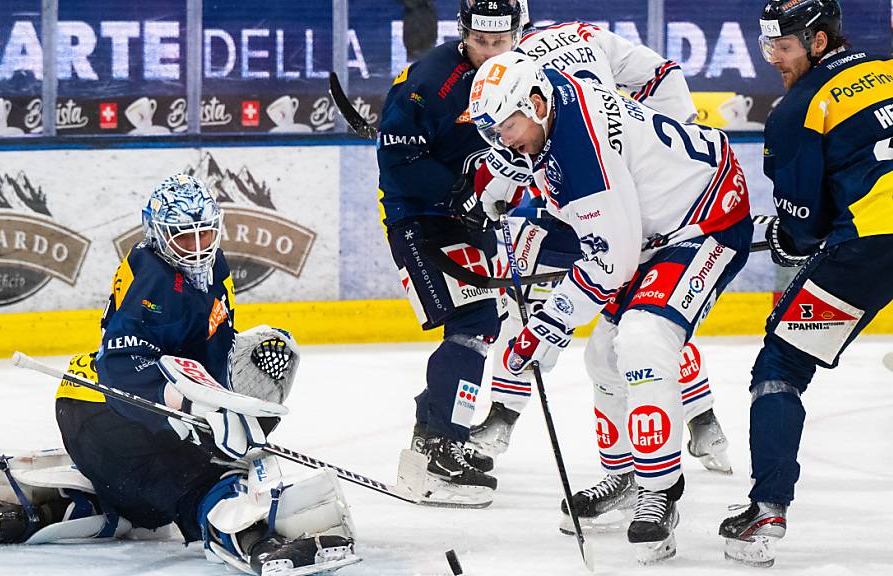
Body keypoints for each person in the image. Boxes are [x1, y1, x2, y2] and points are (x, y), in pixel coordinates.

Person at [0, 174, 359, 576]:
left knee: (158, 495)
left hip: (134, 417)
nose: (199, 248)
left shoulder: (213, 267)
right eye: (185, 238)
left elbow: (207, 348)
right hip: (100, 410)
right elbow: (121, 366)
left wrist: (227, 400)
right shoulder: (150, 275)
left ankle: (79, 505)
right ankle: (246, 536)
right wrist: (190, 406)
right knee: (205, 479)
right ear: (158, 234)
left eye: (206, 234)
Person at [469, 51, 752, 562]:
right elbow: (589, 218)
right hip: (650, 223)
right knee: (602, 356)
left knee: (643, 339)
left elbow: (611, 264)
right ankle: (625, 475)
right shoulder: (548, 100)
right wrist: (506, 180)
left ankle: (659, 492)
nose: (502, 141)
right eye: (493, 133)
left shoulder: (579, 146)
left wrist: (546, 326)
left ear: (535, 104)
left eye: (507, 127)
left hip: (704, 218)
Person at [719, 0, 893, 567]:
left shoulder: (798, 107)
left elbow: (802, 225)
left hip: (869, 247)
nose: (774, 58)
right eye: (767, 45)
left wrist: (789, 238)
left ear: (819, 42)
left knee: (781, 367)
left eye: (785, 47)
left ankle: (767, 508)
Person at [376, 0, 523, 508]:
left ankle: (433, 436)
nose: (488, 51)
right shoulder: (428, 80)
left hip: (470, 218)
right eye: (479, 42)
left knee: (481, 323)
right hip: (419, 219)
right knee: (474, 322)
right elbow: (397, 162)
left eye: (498, 41)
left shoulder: (529, 71)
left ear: (517, 33)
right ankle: (440, 446)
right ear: (464, 34)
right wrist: (457, 189)